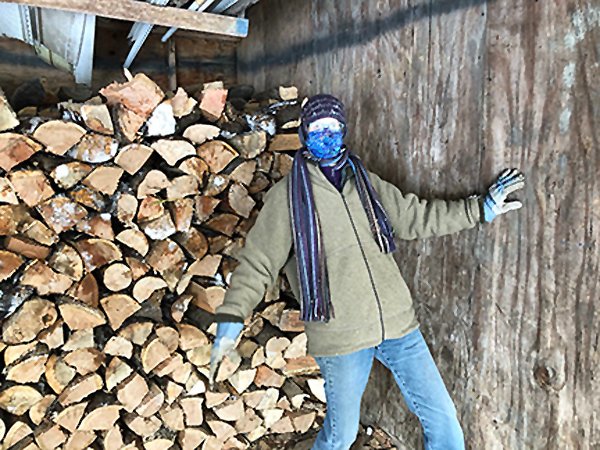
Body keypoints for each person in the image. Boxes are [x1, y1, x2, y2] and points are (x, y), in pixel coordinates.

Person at [210, 94, 525, 450]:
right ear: (303, 133)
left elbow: (416, 217)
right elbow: (259, 262)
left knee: (442, 417)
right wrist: (231, 318)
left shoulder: (364, 182)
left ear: (343, 130)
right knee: (340, 436)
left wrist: (479, 210)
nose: (325, 136)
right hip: (340, 334)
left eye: (332, 128)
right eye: (317, 128)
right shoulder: (287, 197)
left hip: (396, 323)